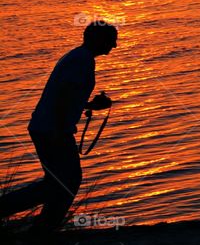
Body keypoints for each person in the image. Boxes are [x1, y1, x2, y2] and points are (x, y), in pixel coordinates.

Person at [0, 21, 117, 230]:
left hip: (48, 127)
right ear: (98, 39)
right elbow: (63, 95)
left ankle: (44, 225)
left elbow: (67, 95)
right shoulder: (82, 60)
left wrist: (91, 105)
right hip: (52, 130)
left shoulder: (79, 57)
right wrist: (59, 129)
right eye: (111, 40)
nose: (114, 45)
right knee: (65, 181)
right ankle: (39, 224)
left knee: (61, 181)